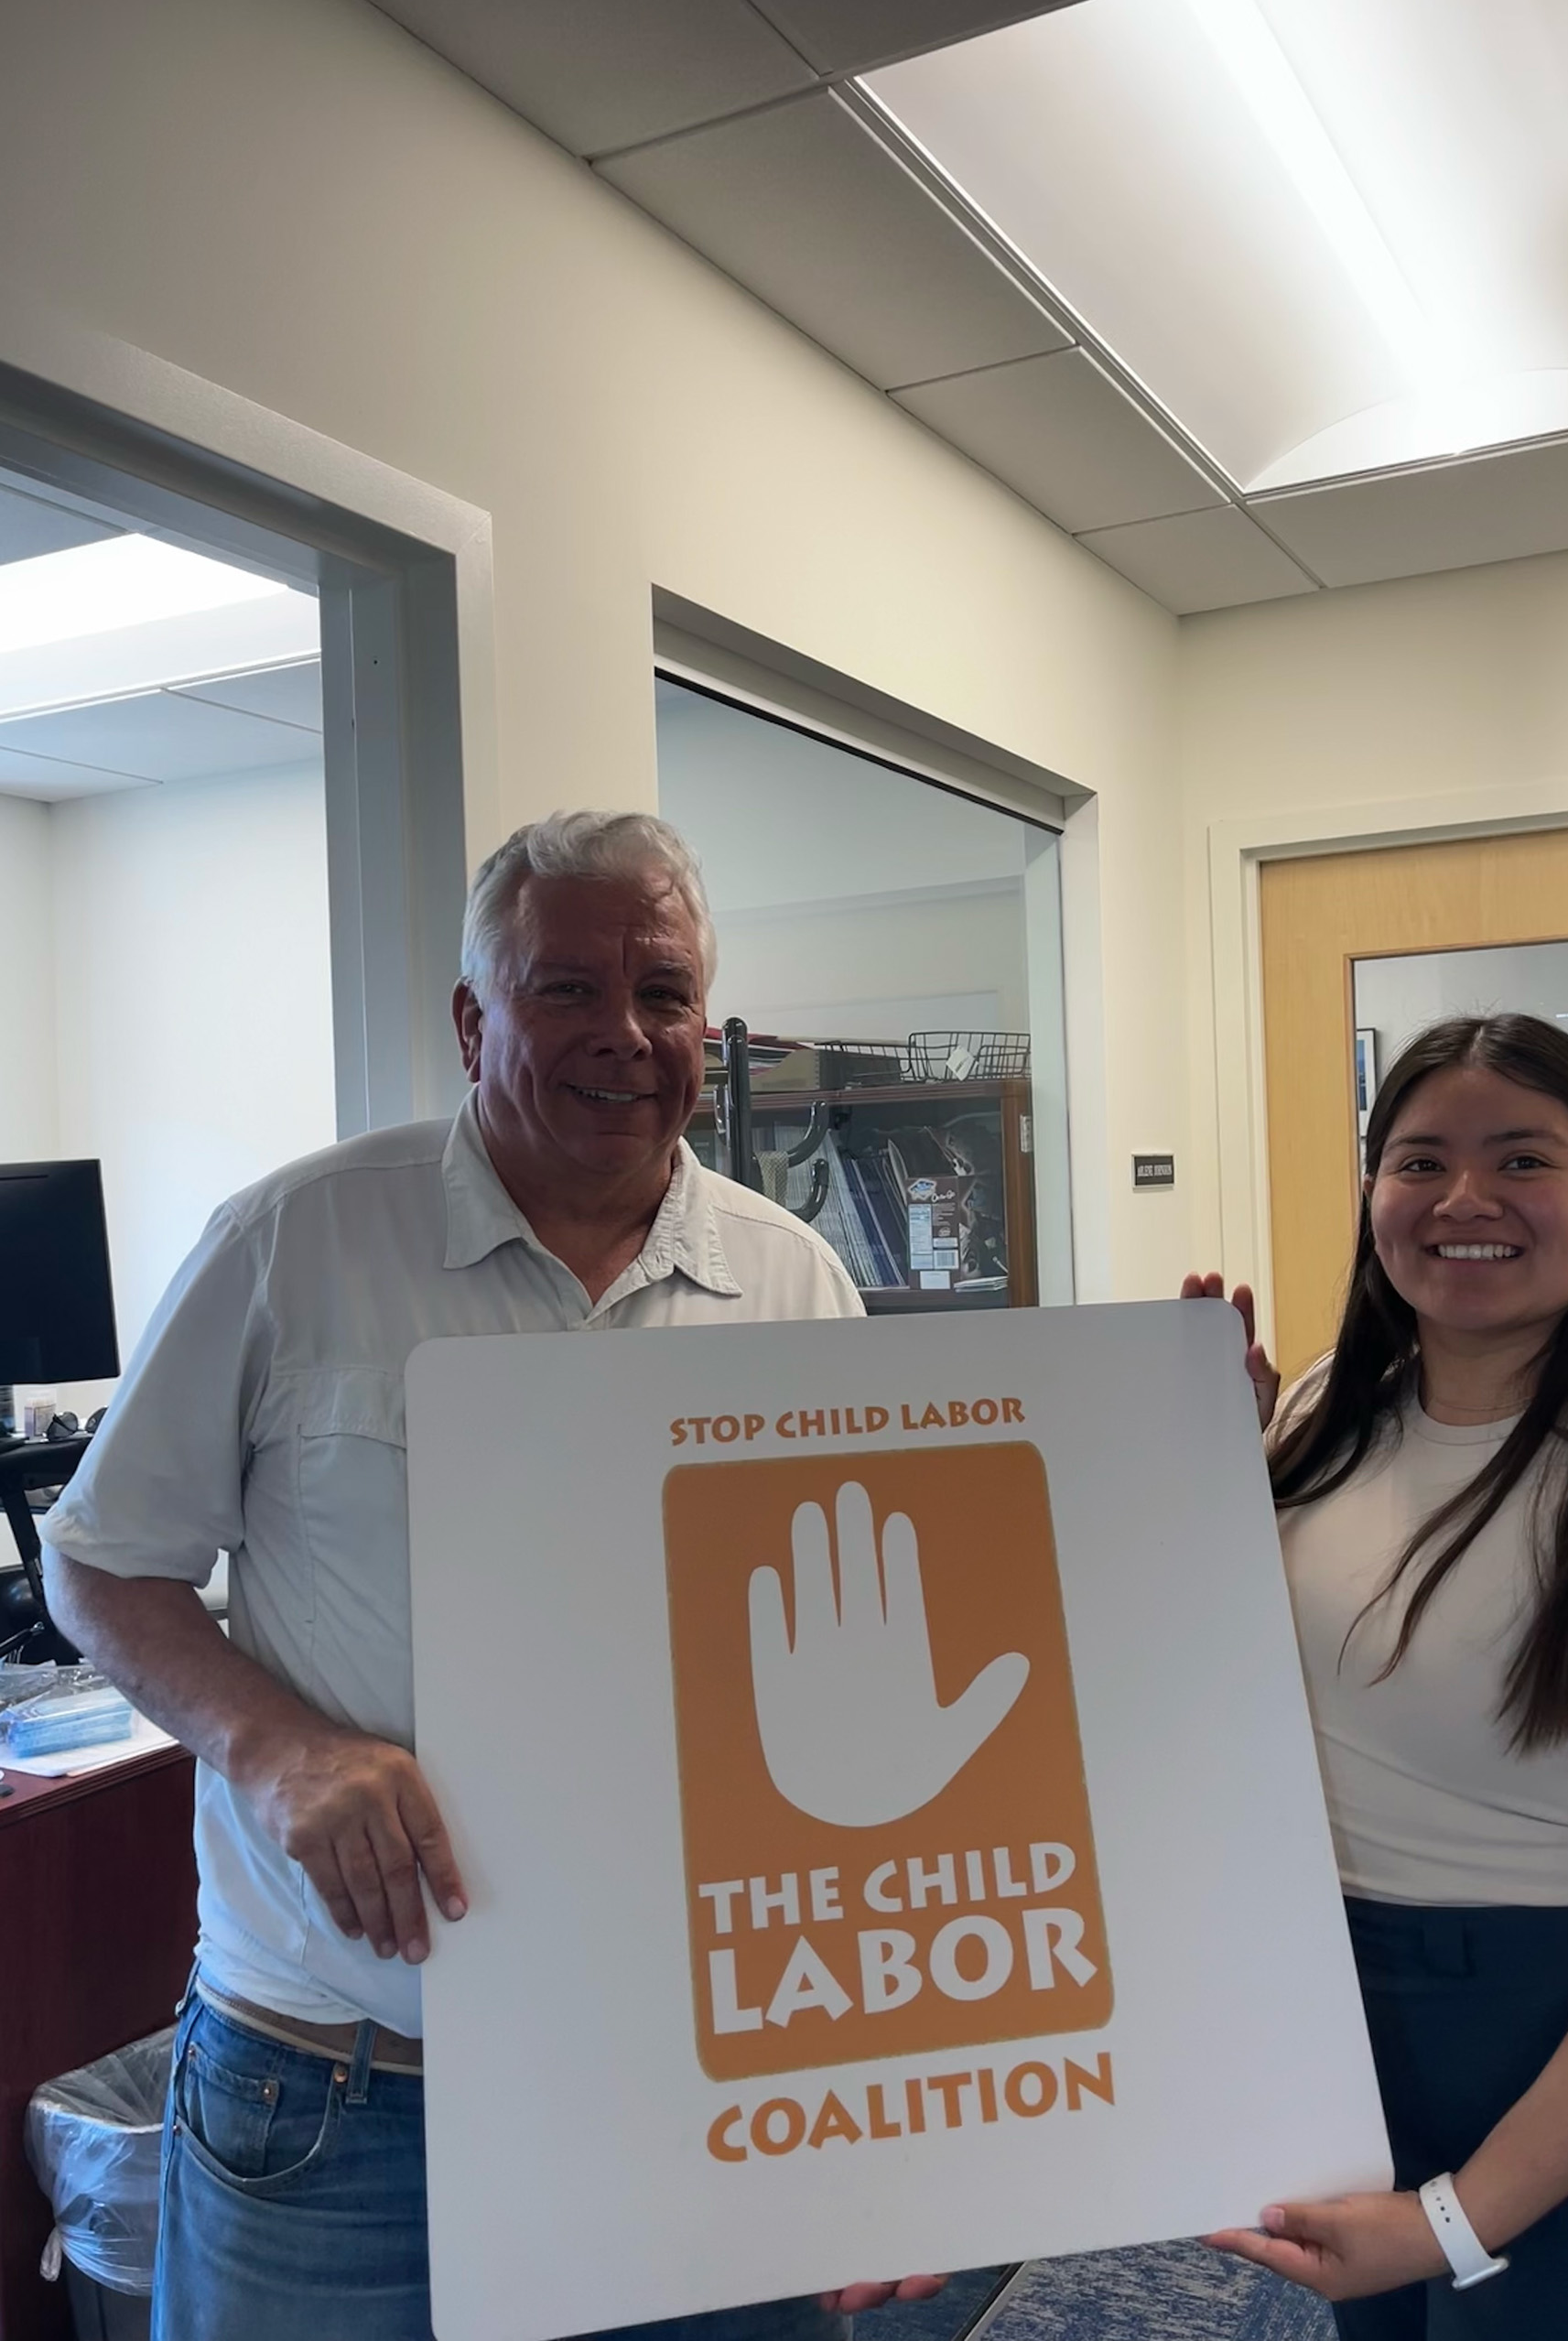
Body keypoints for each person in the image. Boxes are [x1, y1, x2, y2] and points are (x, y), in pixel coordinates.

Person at [40, 811, 943, 2341]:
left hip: (694, 2081)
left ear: (705, 1029)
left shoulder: (793, 1278)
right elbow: (99, 1567)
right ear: (475, 1019)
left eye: (663, 994)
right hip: (339, 2097)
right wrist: (275, 1748)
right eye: (566, 991)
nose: (625, 1035)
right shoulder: (292, 1241)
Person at [1187, 1013, 1568, 2338]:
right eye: (1419, 1159)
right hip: (1346, 2024)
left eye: (1522, 1160)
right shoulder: (1326, 1411)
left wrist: (1453, 2218)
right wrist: (1207, 1458)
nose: (1463, 1200)